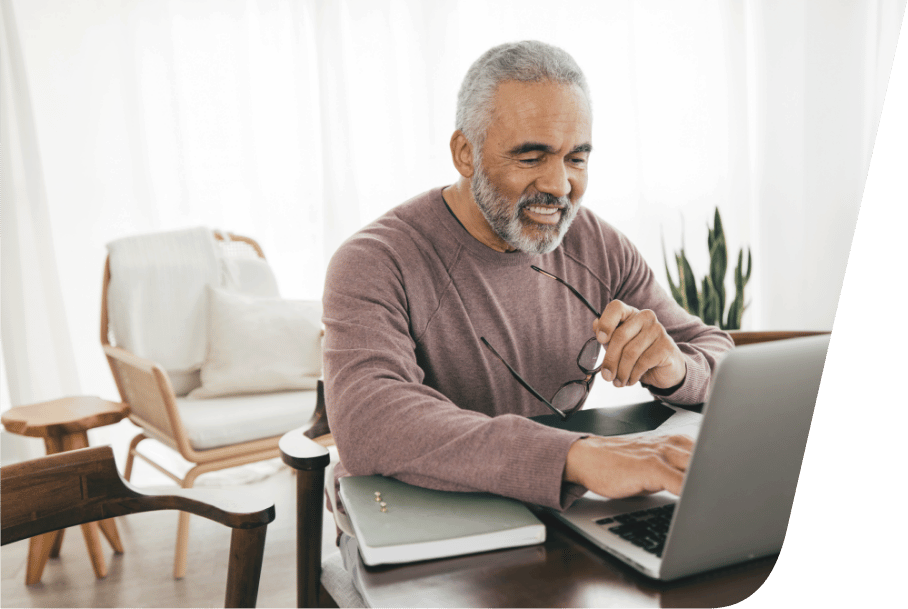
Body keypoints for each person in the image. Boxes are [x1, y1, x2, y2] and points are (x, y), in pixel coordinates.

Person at [323, 40, 733, 516]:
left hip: (555, 509)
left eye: (576, 159)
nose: (560, 187)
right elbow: (370, 422)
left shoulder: (597, 243)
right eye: (531, 157)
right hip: (415, 515)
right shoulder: (374, 260)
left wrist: (677, 367)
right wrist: (575, 457)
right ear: (465, 153)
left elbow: (717, 353)